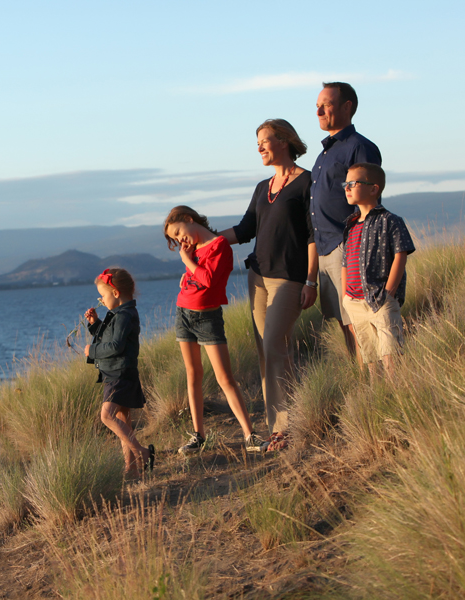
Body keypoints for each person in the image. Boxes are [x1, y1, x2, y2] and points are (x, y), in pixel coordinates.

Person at [219, 119, 317, 452]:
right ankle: (280, 425)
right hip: (257, 277)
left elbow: (313, 235)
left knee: (276, 343)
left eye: (265, 140)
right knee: (268, 352)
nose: (259, 147)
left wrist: (311, 280)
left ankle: (287, 428)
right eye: (257, 142)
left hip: (290, 278)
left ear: (285, 140)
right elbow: (246, 229)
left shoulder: (307, 182)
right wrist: (208, 242)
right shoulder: (263, 187)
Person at [163, 206, 268, 454]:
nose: (180, 240)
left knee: (224, 378)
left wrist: (187, 262)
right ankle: (198, 436)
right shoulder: (192, 249)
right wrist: (187, 268)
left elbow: (208, 281)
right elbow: (195, 277)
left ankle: (250, 435)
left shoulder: (220, 245)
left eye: (179, 232)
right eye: (175, 239)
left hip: (207, 317)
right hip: (183, 312)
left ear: (189, 219)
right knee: (192, 375)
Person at [311, 82, 382, 357]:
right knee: (344, 322)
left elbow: (369, 200)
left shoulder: (360, 147)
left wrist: (360, 246)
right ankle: (360, 381)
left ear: (346, 107)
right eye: (317, 105)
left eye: (325, 104)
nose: (318, 111)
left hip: (349, 247)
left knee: (359, 322)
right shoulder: (323, 155)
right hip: (325, 249)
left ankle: (374, 385)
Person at [340, 163, 415, 378]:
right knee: (369, 354)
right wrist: (346, 295)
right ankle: (377, 395)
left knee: (390, 352)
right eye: (346, 184)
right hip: (354, 301)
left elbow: (401, 254)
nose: (347, 188)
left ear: (373, 189)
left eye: (352, 183)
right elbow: (345, 262)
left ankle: (395, 394)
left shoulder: (390, 221)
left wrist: (389, 292)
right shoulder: (350, 225)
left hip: (380, 299)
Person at [84, 268, 154, 477]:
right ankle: (131, 468)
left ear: (115, 293)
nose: (101, 300)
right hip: (118, 373)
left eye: (103, 295)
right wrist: (95, 325)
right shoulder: (119, 313)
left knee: (107, 416)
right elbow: (110, 338)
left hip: (120, 374)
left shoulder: (124, 315)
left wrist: (92, 351)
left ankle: (142, 453)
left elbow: (115, 346)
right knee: (123, 420)